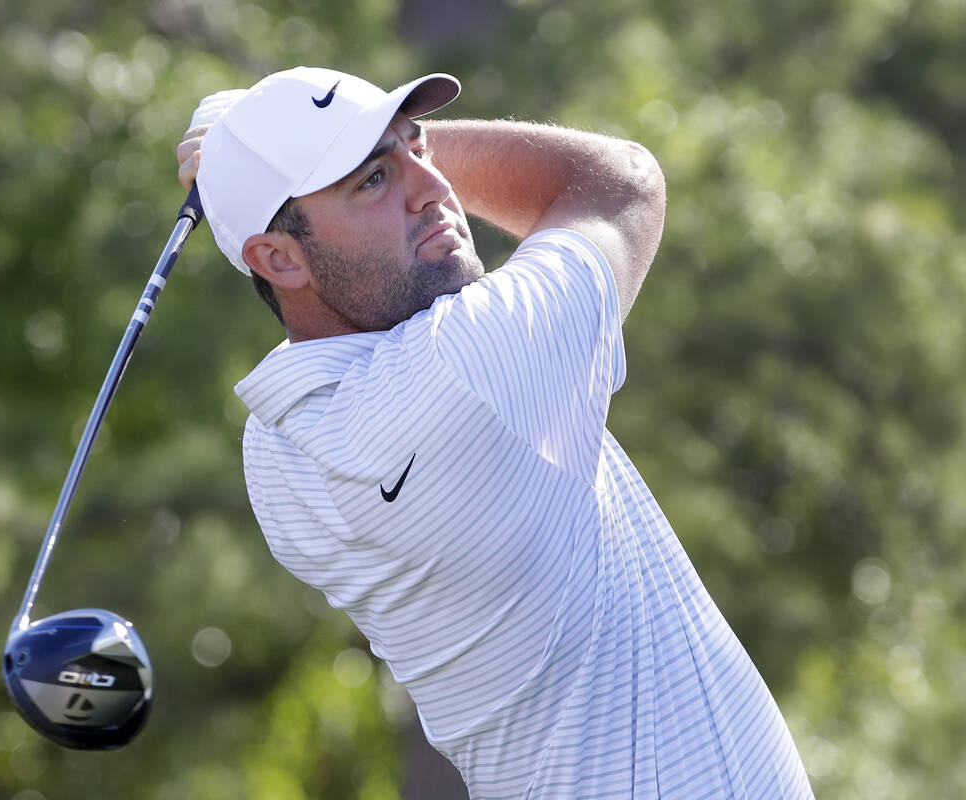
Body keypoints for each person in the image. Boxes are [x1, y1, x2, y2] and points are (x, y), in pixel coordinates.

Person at [176, 67, 813, 799]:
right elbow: (622, 182)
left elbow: (337, 314)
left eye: (420, 148)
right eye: (375, 180)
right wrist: (250, 144)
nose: (433, 185)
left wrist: (253, 157)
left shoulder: (275, 449)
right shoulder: (468, 367)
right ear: (279, 258)